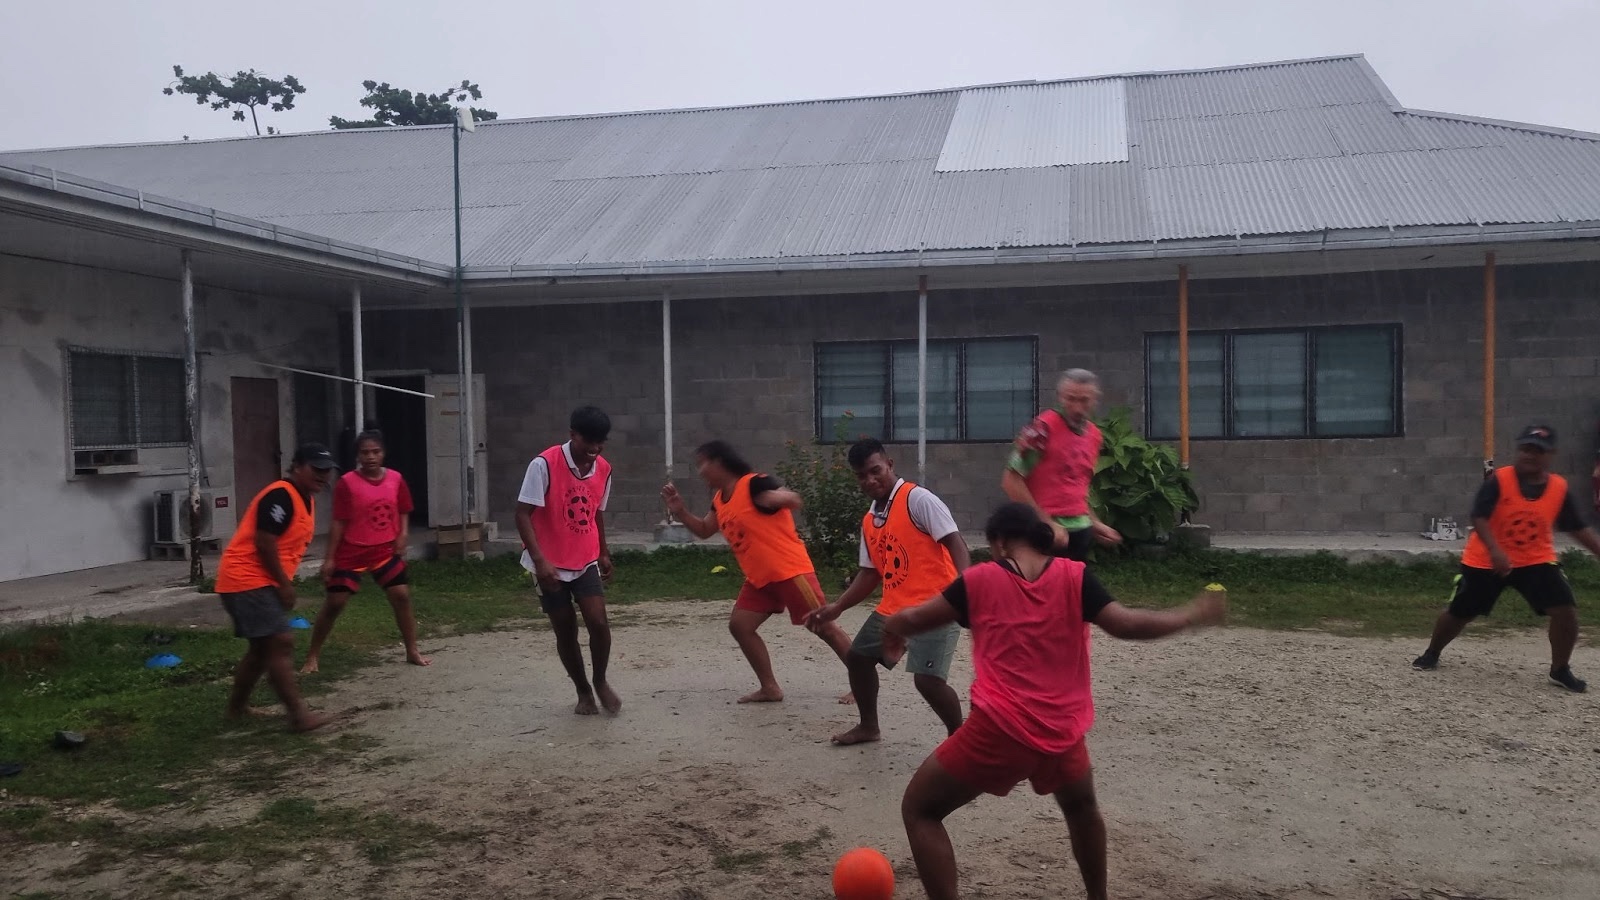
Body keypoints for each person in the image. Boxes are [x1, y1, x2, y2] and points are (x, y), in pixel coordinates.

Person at [887, 503, 1226, 900]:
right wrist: (1190, 615)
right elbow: (1126, 624)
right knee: (1082, 811)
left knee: (920, 809)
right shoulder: (1076, 577)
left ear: (998, 544)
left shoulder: (979, 580)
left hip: (1000, 731)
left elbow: (916, 619)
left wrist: (893, 627)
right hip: (1064, 734)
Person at [661, 440, 855, 703]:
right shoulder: (720, 499)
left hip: (790, 571)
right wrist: (681, 512)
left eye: (703, 464)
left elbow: (794, 499)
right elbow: (706, 530)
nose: (700, 471)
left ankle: (862, 682)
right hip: (760, 579)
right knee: (740, 626)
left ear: (720, 462)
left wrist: (775, 498)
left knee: (823, 627)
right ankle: (770, 688)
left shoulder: (755, 483)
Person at [805, 438, 970, 745]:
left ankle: (961, 740)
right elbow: (870, 574)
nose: (869, 480)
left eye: (875, 470)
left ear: (890, 464)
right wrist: (838, 607)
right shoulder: (871, 519)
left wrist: (968, 589)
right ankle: (869, 727)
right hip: (894, 607)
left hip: (937, 604)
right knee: (858, 657)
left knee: (928, 681)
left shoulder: (918, 500)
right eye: (861, 475)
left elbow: (955, 543)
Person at [1413, 425, 1600, 692]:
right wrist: (1495, 550)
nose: (1529, 455)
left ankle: (1560, 669)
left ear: (1550, 455)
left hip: (1535, 560)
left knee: (1565, 610)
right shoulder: (1499, 480)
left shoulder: (1558, 487)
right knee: (1460, 612)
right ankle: (1432, 652)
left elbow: (1576, 526)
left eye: (1537, 451)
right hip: (1485, 560)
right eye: (1525, 449)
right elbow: (1479, 516)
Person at [213, 443, 338, 733]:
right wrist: (284, 585)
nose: (323, 475)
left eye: (327, 470)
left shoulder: (303, 497)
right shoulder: (282, 495)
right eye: (316, 469)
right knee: (280, 642)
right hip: (247, 579)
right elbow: (264, 542)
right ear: (297, 466)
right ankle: (298, 716)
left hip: (254, 580)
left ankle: (236, 709)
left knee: (261, 650)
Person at [515, 406, 621, 715]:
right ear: (572, 434)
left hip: (585, 557)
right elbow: (522, 514)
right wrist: (540, 561)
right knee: (565, 628)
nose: (595, 448)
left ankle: (600, 680)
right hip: (548, 561)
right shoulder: (544, 464)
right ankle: (583, 691)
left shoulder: (603, 468)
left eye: (601, 442)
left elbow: (596, 511)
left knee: (598, 622)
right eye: (589, 440)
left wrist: (603, 551)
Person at [300, 430, 429, 674]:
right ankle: (313, 655)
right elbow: (338, 521)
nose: (370, 457)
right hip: (352, 551)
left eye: (375, 452)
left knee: (401, 595)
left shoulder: (395, 479)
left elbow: (403, 509)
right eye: (365, 452)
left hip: (384, 549)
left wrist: (402, 534)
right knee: (335, 603)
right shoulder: (347, 483)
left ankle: (412, 650)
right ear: (357, 455)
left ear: (384, 453)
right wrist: (329, 558)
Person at [1003, 369, 1121, 560]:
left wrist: (1095, 523)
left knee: (1074, 589)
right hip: (1043, 534)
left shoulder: (1094, 436)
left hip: (1079, 533)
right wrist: (1046, 523)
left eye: (1084, 400)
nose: (1076, 407)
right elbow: (1011, 481)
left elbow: (1076, 487)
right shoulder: (1041, 430)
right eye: (1070, 399)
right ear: (1060, 397)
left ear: (1095, 400)